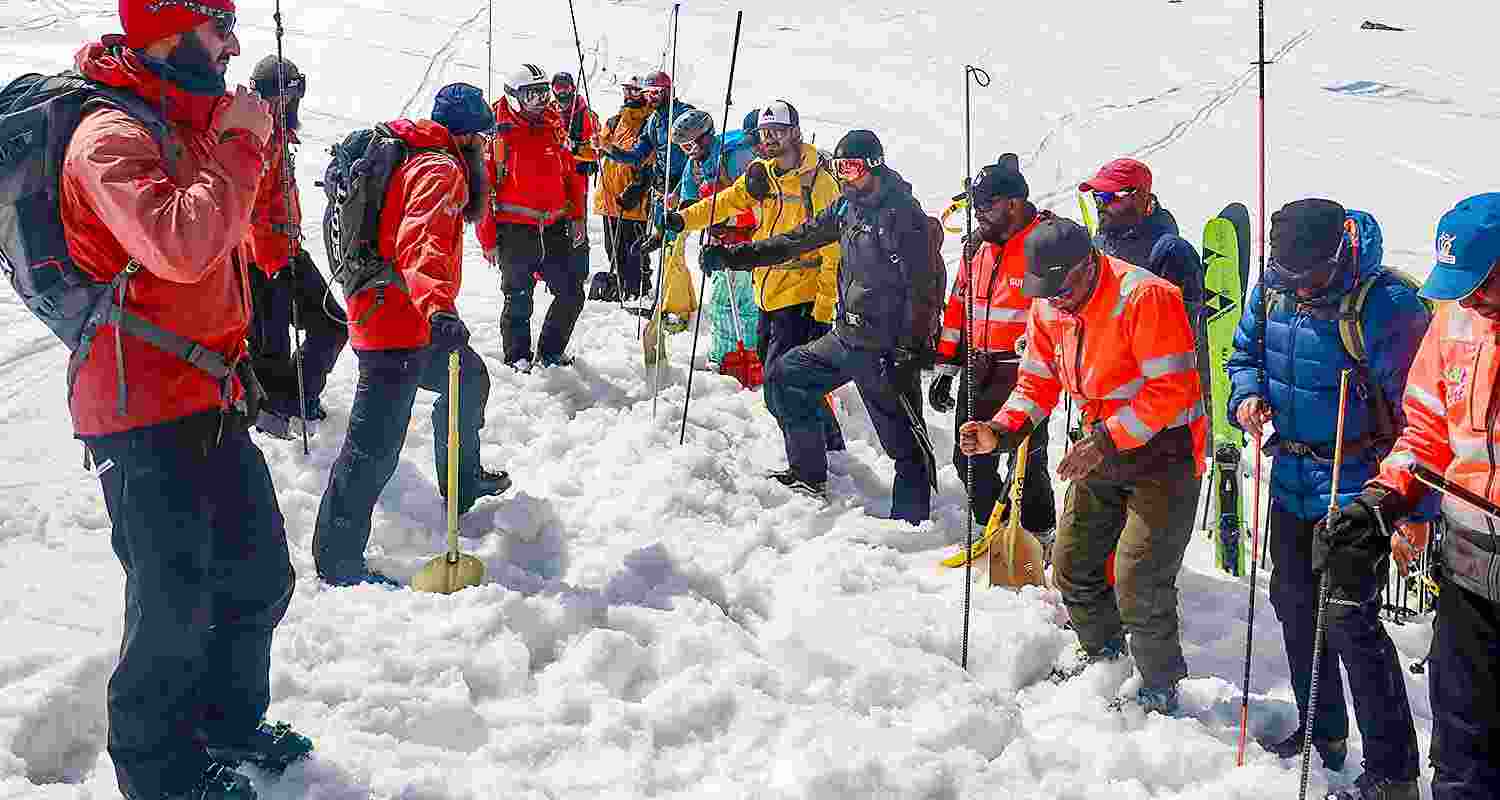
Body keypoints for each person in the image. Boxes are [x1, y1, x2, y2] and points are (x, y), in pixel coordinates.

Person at [61, 3, 312, 796]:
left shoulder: (191, 124)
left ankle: (228, 723)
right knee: (171, 604)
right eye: (216, 27)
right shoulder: (110, 137)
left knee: (259, 573)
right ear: (166, 32)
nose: (234, 44)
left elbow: (251, 247)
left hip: (209, 395)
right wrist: (238, 141)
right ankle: (159, 773)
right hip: (138, 410)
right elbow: (181, 244)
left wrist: (257, 155)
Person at [959, 217, 1206, 713]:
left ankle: (1160, 684)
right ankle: (1104, 654)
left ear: (1087, 265)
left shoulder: (1145, 297)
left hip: (1165, 454)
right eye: (1044, 290)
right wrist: (999, 430)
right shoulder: (1049, 304)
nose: (1055, 299)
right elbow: (1035, 384)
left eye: (1062, 288)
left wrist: (1103, 440)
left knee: (1140, 576)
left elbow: (1170, 391)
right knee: (1072, 565)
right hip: (1099, 447)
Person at [1225, 199, 1429, 795]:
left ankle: (1393, 775)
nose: (1298, 289)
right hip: (1291, 475)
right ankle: (1324, 731)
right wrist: (1246, 399)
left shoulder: (1385, 305)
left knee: (1352, 627)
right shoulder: (1276, 285)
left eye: (1308, 278)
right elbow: (1244, 357)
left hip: (1359, 487)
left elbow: (1421, 416)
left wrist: (1411, 512)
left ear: (1337, 252)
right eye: (1287, 277)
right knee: (1293, 609)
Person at [1320, 194, 1500, 800]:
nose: (1469, 300)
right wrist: (1382, 501)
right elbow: (1424, 428)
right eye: (1461, 286)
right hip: (1472, 567)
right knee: (1462, 741)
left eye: (1482, 285)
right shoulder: (1452, 321)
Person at [312, 83, 510, 587]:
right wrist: (439, 308)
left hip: (399, 311)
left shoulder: (422, 157)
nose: (487, 150)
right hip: (397, 323)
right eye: (483, 139)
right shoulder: (439, 169)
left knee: (468, 380)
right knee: (373, 446)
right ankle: (338, 561)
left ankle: (461, 482)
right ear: (467, 137)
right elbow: (419, 238)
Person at [690, 130, 940, 523]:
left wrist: (911, 348)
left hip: (887, 347)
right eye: (840, 168)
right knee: (784, 378)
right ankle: (808, 474)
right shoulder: (846, 208)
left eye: (853, 167)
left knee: (903, 442)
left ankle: (912, 522)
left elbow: (925, 289)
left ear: (874, 165)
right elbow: (795, 240)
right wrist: (732, 257)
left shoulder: (902, 215)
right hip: (847, 336)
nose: (846, 175)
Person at [665, 100, 844, 450]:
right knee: (784, 378)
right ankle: (829, 443)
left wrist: (823, 311)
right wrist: (683, 218)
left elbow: (833, 252)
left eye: (778, 131)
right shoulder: (762, 174)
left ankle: (810, 461)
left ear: (795, 132)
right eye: (765, 133)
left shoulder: (818, 182)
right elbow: (727, 201)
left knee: (784, 385)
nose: (771, 138)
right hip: (767, 291)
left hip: (803, 296)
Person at [931, 153, 1055, 534]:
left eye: (986, 205)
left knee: (1027, 459)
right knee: (968, 457)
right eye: (975, 206)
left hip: (1023, 374)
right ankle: (994, 529)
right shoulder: (974, 249)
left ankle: (1039, 532)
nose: (978, 214)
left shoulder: (1043, 245)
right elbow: (958, 307)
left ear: (1014, 204)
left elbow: (1060, 317)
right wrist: (945, 369)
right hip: (978, 368)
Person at [245, 54, 348, 439]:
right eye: (278, 97)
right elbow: (242, 206)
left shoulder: (279, 132)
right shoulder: (251, 136)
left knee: (332, 324)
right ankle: (275, 412)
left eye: (290, 97)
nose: (284, 105)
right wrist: (266, 259)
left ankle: (297, 397)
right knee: (270, 344)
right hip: (261, 259)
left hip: (286, 250)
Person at [1079, 158, 1208, 424]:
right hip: (1099, 399)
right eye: (1096, 196)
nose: (1099, 203)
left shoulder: (1171, 251)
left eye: (1107, 195)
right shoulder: (1099, 243)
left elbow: (1183, 340)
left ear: (1139, 196)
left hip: (1148, 406)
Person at [478, 64, 585, 371]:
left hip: (554, 226)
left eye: (543, 92)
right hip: (515, 231)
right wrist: (487, 240)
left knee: (571, 292)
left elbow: (571, 176)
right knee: (519, 297)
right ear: (513, 96)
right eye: (531, 95)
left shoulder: (554, 124)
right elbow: (483, 191)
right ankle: (518, 357)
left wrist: (576, 216)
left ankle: (551, 351)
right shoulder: (497, 132)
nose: (540, 101)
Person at [667, 107, 761, 365]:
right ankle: (738, 353)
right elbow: (689, 203)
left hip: (745, 239)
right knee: (730, 300)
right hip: (718, 239)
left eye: (690, 144)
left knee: (733, 302)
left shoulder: (735, 157)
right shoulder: (695, 164)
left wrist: (721, 218)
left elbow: (753, 202)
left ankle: (734, 356)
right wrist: (672, 226)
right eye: (683, 147)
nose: (688, 151)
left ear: (706, 136)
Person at [592, 76, 654, 299]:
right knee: (614, 249)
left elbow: (648, 158)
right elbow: (596, 149)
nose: (629, 96)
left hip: (634, 199)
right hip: (609, 196)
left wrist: (638, 189)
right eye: (626, 90)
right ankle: (621, 286)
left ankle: (639, 289)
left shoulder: (650, 123)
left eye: (635, 91)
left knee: (635, 249)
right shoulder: (614, 121)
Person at [551, 70, 600, 330]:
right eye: (557, 90)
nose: (562, 95)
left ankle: (579, 271)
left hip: (577, 180)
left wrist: (576, 148)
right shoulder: (549, 112)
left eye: (565, 90)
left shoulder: (587, 116)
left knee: (578, 226)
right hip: (553, 181)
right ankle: (554, 274)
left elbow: (596, 151)